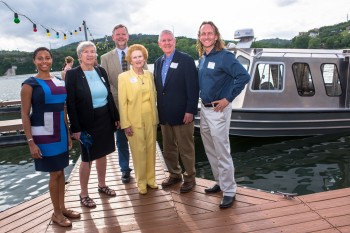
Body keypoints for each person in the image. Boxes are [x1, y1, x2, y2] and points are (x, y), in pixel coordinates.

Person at [21, 47, 80, 227]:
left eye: (47, 58)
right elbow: (24, 114)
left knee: (61, 171)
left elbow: (62, 109)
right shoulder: (29, 84)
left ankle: (62, 207)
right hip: (42, 134)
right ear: (34, 61)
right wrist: (31, 142)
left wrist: (68, 133)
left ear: (52, 59)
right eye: (40, 58)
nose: (44, 61)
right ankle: (56, 214)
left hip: (60, 132)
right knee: (54, 173)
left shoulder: (59, 81)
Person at [196, 21, 251, 208]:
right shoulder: (203, 58)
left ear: (216, 36)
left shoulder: (225, 57)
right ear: (200, 37)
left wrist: (228, 98)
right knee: (210, 149)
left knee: (222, 151)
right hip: (204, 109)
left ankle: (229, 191)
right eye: (203, 33)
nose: (206, 36)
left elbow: (243, 76)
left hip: (218, 110)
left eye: (209, 33)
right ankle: (220, 182)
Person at [65, 41, 119, 208]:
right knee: (87, 158)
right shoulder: (73, 75)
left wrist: (115, 116)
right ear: (79, 56)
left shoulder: (100, 70)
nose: (90, 55)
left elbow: (109, 95)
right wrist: (76, 128)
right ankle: (84, 193)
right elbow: (71, 103)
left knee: (103, 153)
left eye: (92, 52)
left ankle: (102, 185)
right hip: (86, 122)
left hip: (105, 119)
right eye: (86, 52)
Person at [154, 30, 199, 193]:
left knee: (186, 148)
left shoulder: (186, 60)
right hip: (165, 114)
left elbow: (193, 88)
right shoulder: (158, 62)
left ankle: (189, 177)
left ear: (175, 41)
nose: (167, 43)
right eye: (163, 41)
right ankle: (174, 174)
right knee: (169, 147)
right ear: (159, 44)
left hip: (183, 113)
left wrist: (190, 110)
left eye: (169, 40)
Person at [118, 44, 159, 195]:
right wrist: (125, 123)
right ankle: (141, 182)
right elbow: (122, 103)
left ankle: (151, 179)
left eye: (140, 56)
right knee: (138, 151)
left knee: (150, 149)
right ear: (130, 59)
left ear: (144, 58)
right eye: (134, 57)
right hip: (133, 120)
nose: (137, 59)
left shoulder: (149, 74)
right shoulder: (124, 77)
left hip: (151, 117)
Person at [100, 24, 133, 184]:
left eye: (123, 34)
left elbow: (146, 77)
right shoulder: (105, 58)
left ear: (128, 36)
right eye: (117, 34)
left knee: (138, 139)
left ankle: (141, 168)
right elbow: (105, 83)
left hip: (137, 105)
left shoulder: (138, 53)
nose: (121, 37)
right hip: (117, 104)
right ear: (113, 37)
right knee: (121, 140)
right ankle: (125, 169)